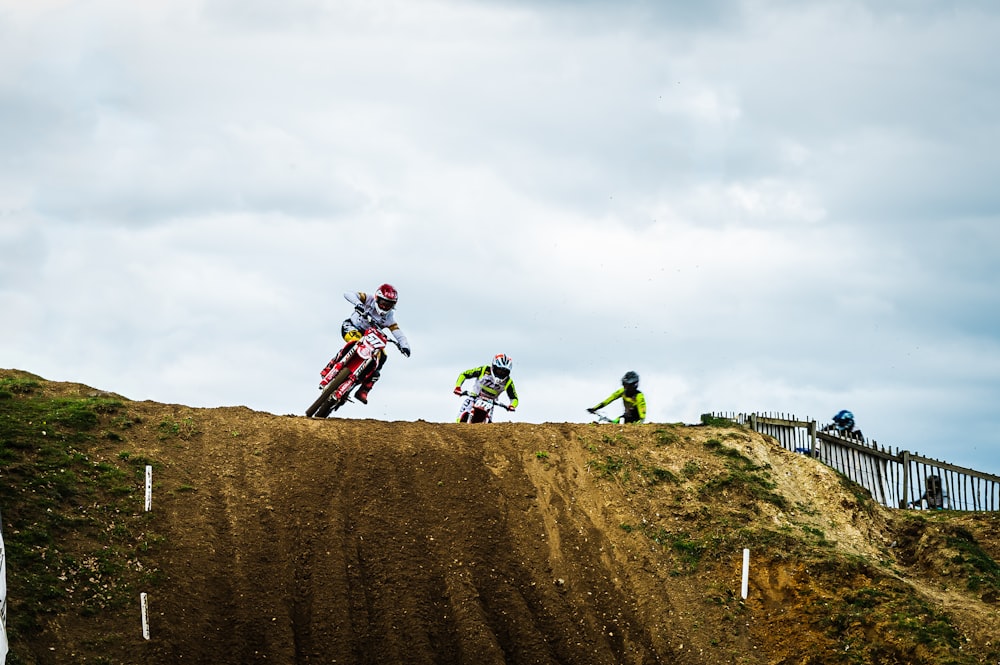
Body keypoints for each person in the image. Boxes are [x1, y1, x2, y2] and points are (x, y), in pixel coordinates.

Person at [319, 283, 411, 404]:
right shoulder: (368, 299)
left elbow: (398, 332)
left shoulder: (389, 318)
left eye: (388, 305)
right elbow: (348, 294)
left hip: (372, 338)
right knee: (354, 342)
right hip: (352, 327)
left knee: (382, 357)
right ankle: (331, 366)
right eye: (383, 303)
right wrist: (358, 304)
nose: (384, 307)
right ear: (377, 298)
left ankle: (364, 390)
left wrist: (404, 345)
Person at [453, 354, 519, 422]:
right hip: (473, 398)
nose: (501, 373)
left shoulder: (508, 381)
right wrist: (458, 387)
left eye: (504, 372)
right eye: (499, 370)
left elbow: (514, 398)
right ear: (493, 367)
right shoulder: (484, 370)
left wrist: (512, 405)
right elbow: (464, 374)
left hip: (490, 404)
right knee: (460, 419)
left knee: (489, 425)